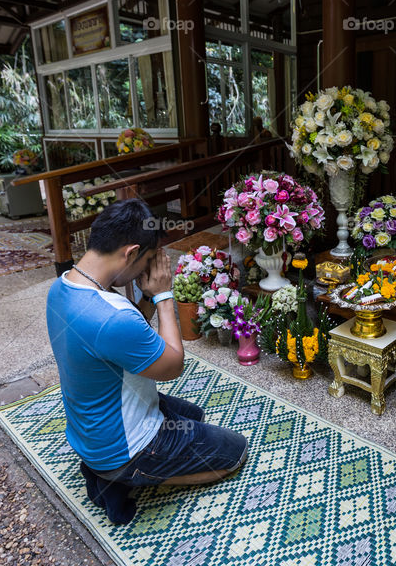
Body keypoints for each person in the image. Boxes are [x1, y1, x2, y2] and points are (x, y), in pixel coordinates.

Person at [46, 199, 248, 523]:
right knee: (233, 453)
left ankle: (111, 466)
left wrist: (144, 299)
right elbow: (172, 367)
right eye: (147, 261)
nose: (150, 269)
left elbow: (120, 342)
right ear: (130, 253)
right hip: (125, 446)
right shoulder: (114, 317)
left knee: (193, 415)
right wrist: (164, 296)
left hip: (91, 430)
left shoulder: (62, 285)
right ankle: (124, 474)